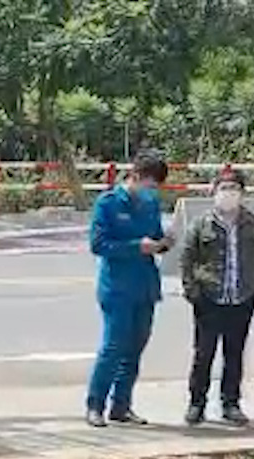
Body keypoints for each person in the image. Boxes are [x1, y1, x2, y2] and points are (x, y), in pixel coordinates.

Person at [180, 167, 254, 427]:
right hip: (209, 298)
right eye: (224, 188)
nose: (228, 194)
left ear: (242, 193)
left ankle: (231, 403)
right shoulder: (201, 224)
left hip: (242, 299)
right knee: (203, 354)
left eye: (234, 189)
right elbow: (187, 259)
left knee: (235, 353)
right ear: (214, 191)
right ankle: (197, 403)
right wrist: (193, 292)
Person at [85, 152, 170, 427]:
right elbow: (98, 245)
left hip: (144, 284)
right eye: (149, 184)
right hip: (117, 286)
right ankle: (95, 404)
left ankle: (121, 405)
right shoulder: (108, 203)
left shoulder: (150, 203)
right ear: (135, 176)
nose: (152, 190)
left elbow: (155, 236)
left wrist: (164, 242)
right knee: (113, 346)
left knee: (135, 347)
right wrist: (136, 247)